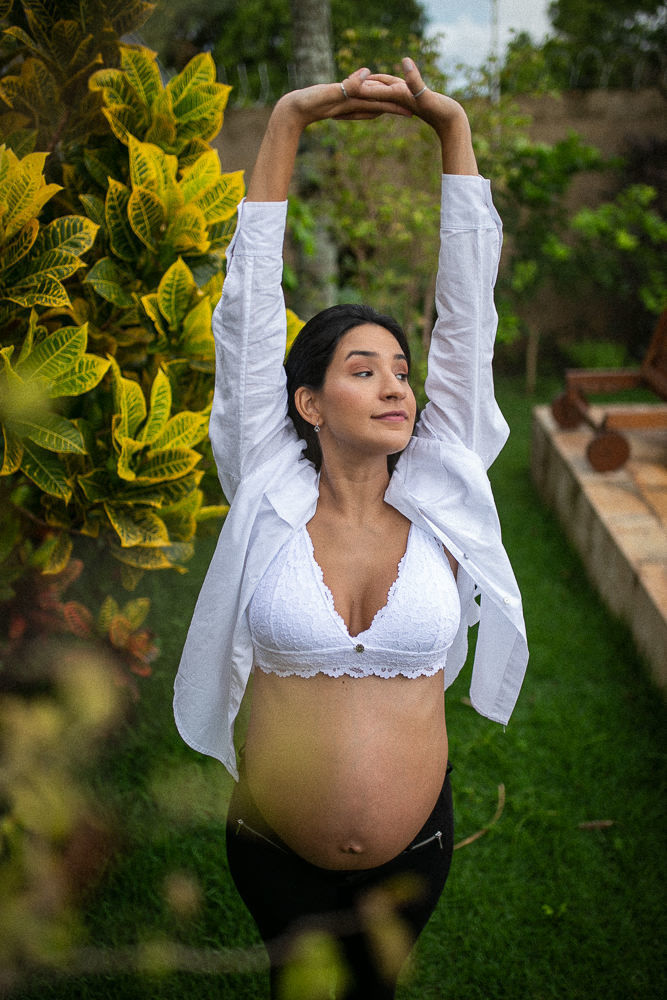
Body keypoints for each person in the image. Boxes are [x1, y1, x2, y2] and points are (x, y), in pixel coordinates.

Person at [175, 57, 528, 999]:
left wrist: (451, 130)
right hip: (273, 850)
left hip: (413, 855)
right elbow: (248, 312)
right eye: (363, 371)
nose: (395, 386)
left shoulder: (444, 487)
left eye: (401, 372)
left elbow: (468, 321)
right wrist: (288, 120)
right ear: (308, 402)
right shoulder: (266, 484)